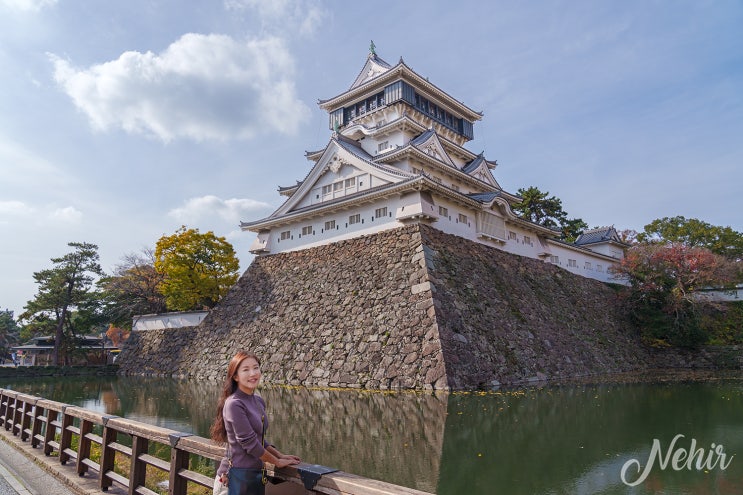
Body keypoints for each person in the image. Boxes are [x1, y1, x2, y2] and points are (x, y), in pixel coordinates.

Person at [210, 351, 300, 495]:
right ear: (235, 376)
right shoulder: (234, 403)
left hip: (254, 476)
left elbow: (259, 439)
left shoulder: (258, 401)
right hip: (234, 478)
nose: (253, 373)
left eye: (256, 368)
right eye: (246, 370)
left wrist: (280, 456)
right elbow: (250, 444)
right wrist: (276, 462)